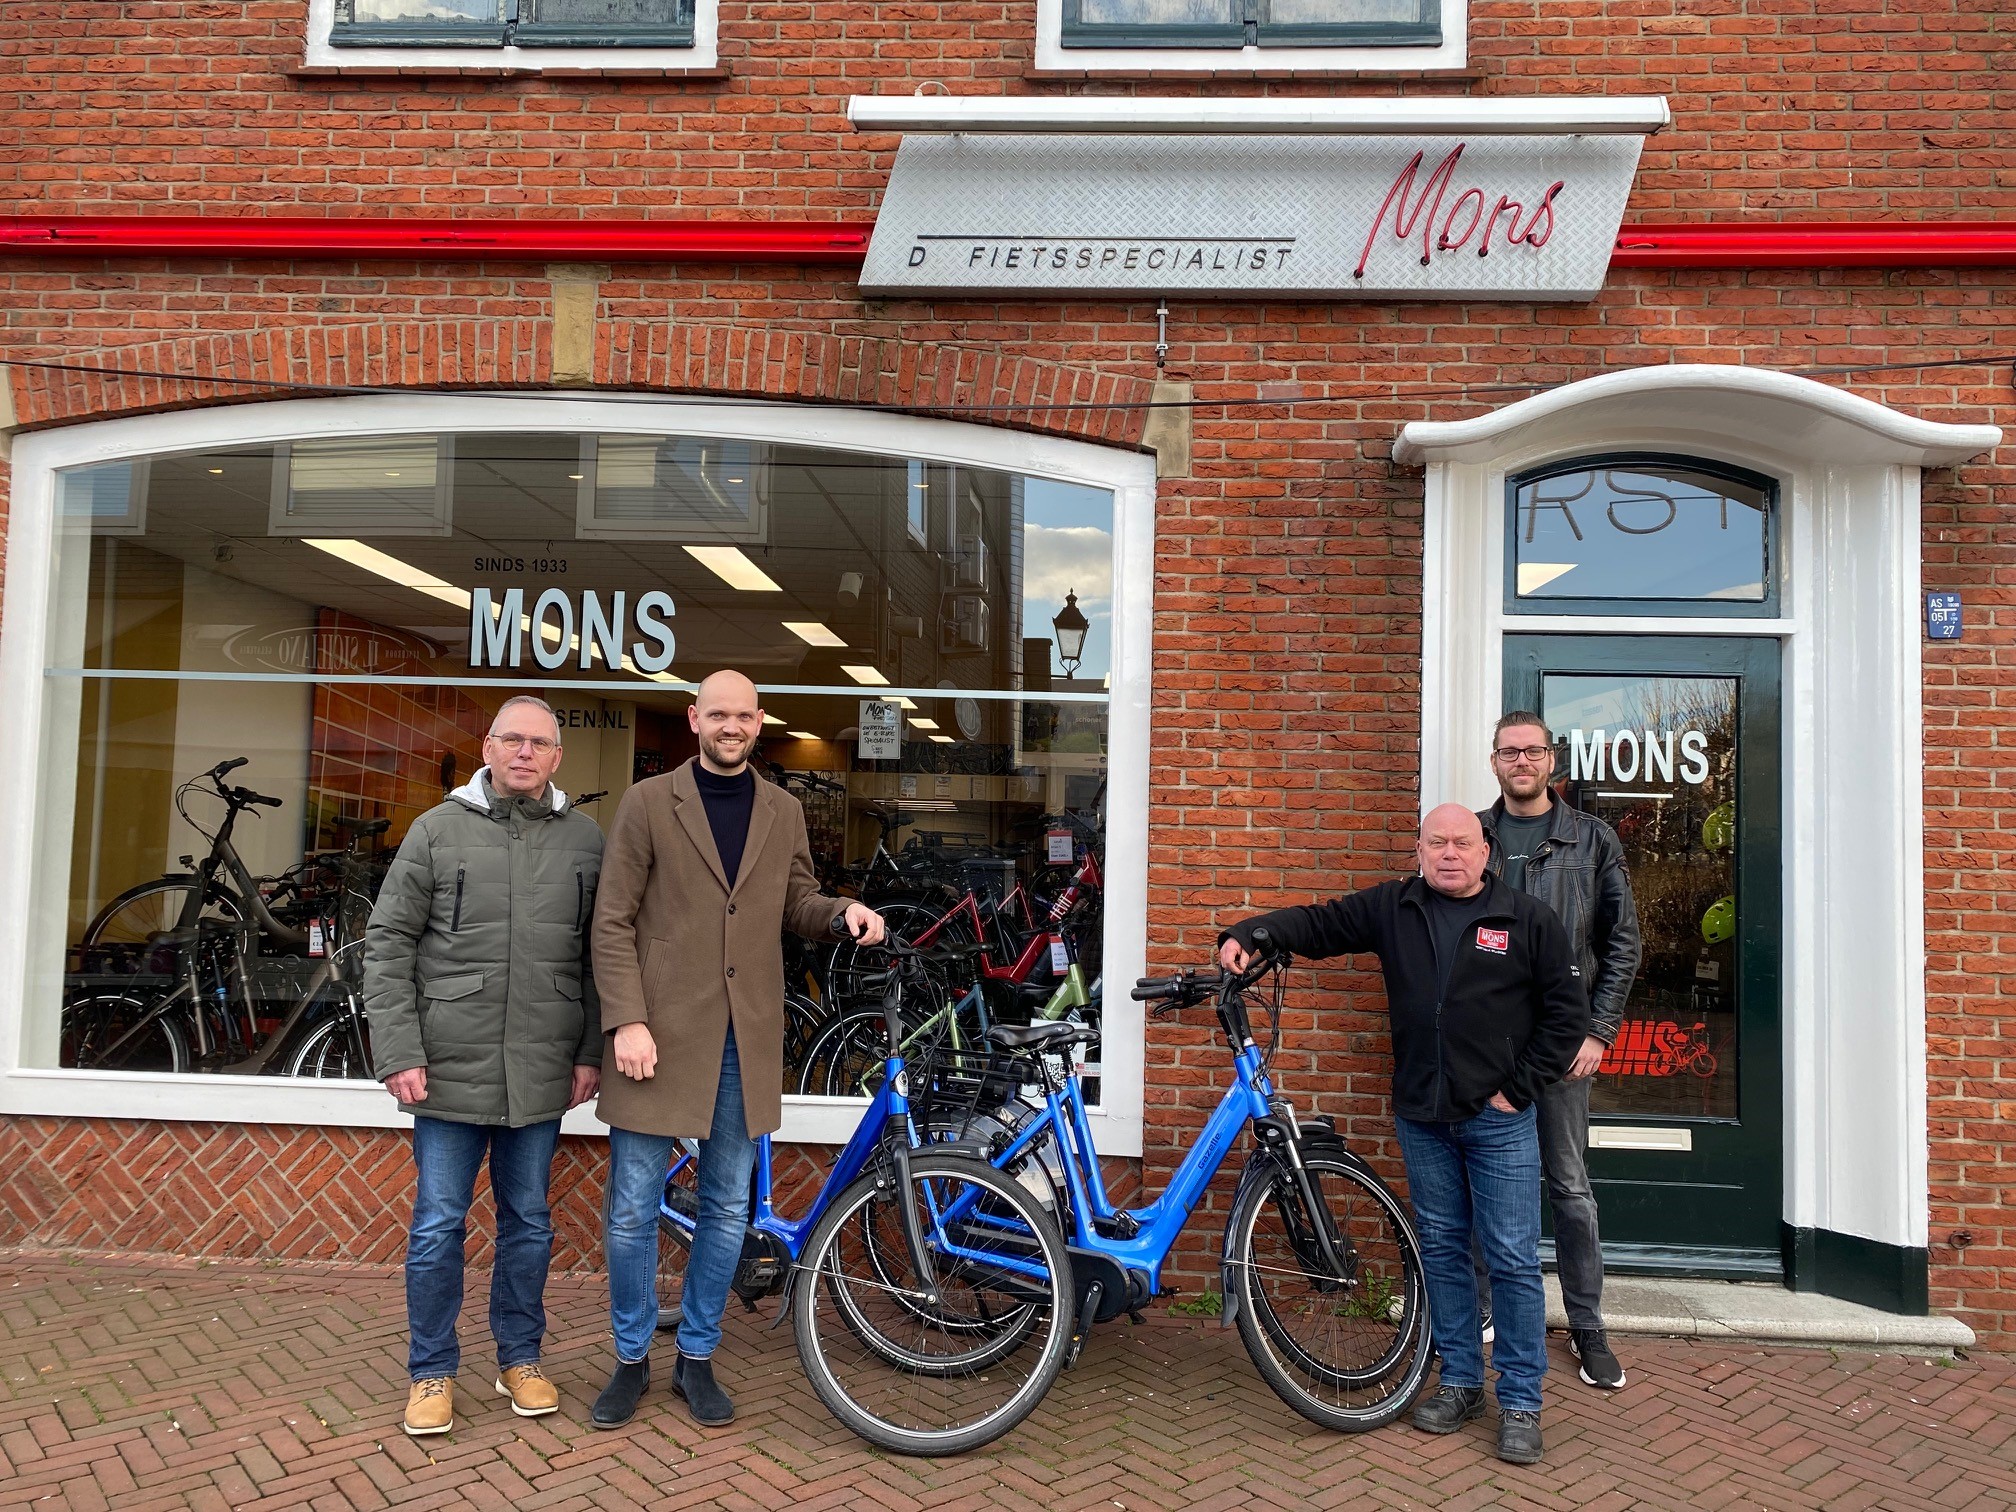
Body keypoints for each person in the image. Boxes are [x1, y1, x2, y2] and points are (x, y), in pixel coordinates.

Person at [1218, 804, 1587, 1465]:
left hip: (1498, 1119)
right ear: (1418, 849)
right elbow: (1319, 923)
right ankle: (1462, 1383)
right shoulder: (1395, 907)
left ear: (1486, 851)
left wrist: (1516, 1090)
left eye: (1463, 843)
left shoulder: (1526, 920)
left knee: (1509, 1259)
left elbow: (1566, 1018)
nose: (1450, 853)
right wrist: (1254, 931)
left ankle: (1523, 1400)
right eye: (1437, 842)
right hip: (1423, 1115)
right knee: (1442, 1251)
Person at [589, 670, 885, 1430]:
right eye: (717, 713)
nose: (731, 725)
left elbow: (795, 900)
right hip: (655, 1032)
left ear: (758, 724)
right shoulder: (648, 802)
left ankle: (695, 1355)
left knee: (726, 1207)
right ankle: (629, 1359)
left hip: (740, 1037)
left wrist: (842, 910)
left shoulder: (783, 810)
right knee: (630, 1207)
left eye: (743, 716)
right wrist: (625, 1019)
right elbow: (612, 919)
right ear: (694, 719)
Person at [364, 695, 604, 1437]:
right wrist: (398, 1051)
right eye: (513, 740)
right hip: (447, 1067)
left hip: (540, 1069)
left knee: (529, 1222)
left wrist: (591, 1048)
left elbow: (603, 954)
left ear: (557, 757)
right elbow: (389, 943)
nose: (526, 753)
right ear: (488, 748)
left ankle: (520, 1358)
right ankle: (431, 1371)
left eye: (541, 742)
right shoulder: (436, 831)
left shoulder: (587, 840)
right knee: (438, 1225)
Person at [1476, 711, 1642, 1391]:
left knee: (1569, 1187)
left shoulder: (1591, 839)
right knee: (1480, 1177)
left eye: (1533, 750)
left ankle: (1586, 1322)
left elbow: (1622, 942)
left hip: (1563, 1044)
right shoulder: (1472, 836)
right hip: (1484, 1043)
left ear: (1552, 760)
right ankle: (1481, 1305)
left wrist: (1599, 1030)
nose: (1522, 761)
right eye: (1509, 752)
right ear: (1495, 762)